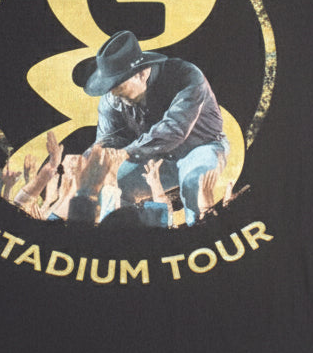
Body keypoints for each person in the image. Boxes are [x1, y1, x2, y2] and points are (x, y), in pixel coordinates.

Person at [74, 30, 230, 226]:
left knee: (194, 183)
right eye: (109, 86)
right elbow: (108, 139)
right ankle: (131, 236)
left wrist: (125, 153)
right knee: (106, 184)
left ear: (142, 73)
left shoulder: (186, 76)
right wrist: (88, 161)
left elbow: (174, 129)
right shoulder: (112, 98)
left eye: (117, 84)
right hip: (153, 159)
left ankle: (198, 233)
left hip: (201, 148)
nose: (112, 93)